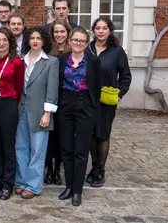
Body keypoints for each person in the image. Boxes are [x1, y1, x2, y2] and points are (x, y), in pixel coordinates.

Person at [57, 27, 101, 207]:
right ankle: (68, 186)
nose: (78, 43)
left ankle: (77, 190)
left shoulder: (93, 61)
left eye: (82, 41)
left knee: (81, 151)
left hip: (84, 106)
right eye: (75, 40)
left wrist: (92, 107)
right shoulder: (61, 60)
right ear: (69, 41)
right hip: (65, 105)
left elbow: (97, 86)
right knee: (67, 149)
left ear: (86, 43)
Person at [85, 17, 131, 188]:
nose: (101, 31)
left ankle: (100, 169)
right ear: (93, 30)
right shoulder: (87, 49)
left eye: (104, 28)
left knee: (102, 134)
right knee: (90, 133)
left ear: (110, 30)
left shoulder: (117, 51)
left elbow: (125, 76)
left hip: (106, 100)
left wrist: (119, 94)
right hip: (87, 98)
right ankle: (93, 165)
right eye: (98, 28)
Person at [14, 26, 59, 199]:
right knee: (21, 147)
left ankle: (33, 185)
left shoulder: (51, 62)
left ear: (44, 41)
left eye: (38, 38)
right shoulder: (20, 60)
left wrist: (47, 113)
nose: (35, 41)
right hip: (21, 110)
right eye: (32, 38)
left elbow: (52, 90)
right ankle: (21, 181)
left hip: (41, 112)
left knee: (37, 149)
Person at [0, 27, 24, 201]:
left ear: (10, 42)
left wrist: (10, 103)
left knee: (8, 146)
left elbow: (19, 86)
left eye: (4, 40)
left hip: (8, 104)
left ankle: (8, 184)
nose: (1, 43)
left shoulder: (16, 61)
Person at [44, 19, 72, 186]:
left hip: (65, 101)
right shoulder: (48, 52)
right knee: (49, 137)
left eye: (62, 32)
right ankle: (48, 168)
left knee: (62, 137)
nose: (59, 35)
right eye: (56, 32)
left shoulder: (72, 52)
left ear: (67, 33)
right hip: (49, 99)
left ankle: (57, 170)